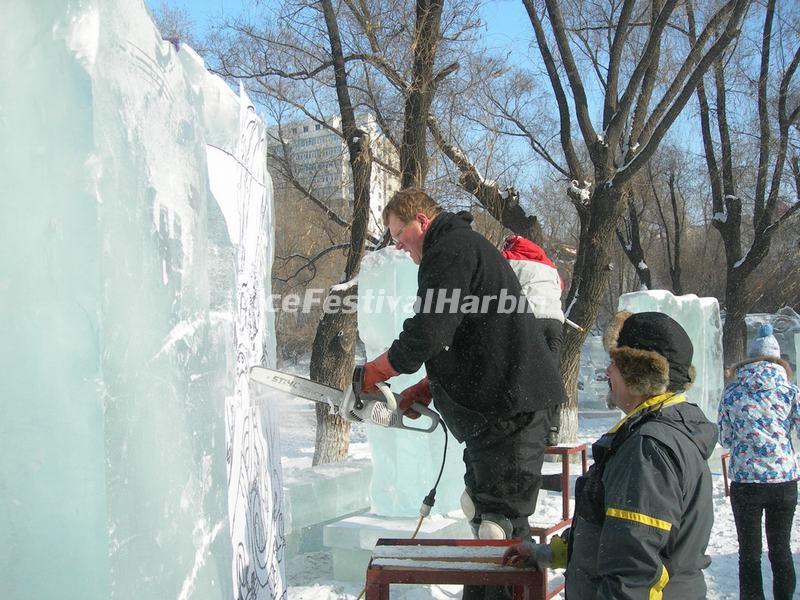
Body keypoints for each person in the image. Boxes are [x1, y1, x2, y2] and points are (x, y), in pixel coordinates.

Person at [361, 188, 566, 545]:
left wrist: (377, 370)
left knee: (498, 526)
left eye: (398, 234)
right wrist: (427, 388)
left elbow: (429, 329)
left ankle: (509, 587)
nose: (396, 245)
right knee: (481, 511)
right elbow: (467, 337)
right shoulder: (459, 248)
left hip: (512, 407)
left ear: (422, 221)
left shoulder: (451, 250)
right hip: (502, 405)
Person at [503, 311, 718, 600]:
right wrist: (548, 553)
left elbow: (634, 569)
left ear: (640, 375)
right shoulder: (658, 432)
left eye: (615, 363)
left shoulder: (647, 449)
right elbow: (614, 534)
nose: (607, 372)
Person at [718, 322, 799, 600]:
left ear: (750, 359)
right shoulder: (791, 391)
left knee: (749, 555)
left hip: (746, 483)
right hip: (783, 482)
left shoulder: (732, 393)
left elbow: (725, 440)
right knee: (781, 551)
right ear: (779, 360)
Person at [501, 233, 565, 447]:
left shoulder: (509, 258)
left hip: (531, 319)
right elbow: (561, 287)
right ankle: (553, 428)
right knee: (551, 373)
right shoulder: (550, 266)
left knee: (524, 370)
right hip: (555, 322)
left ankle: (522, 424)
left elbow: (496, 279)